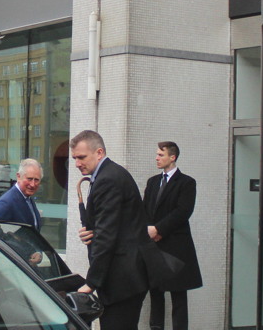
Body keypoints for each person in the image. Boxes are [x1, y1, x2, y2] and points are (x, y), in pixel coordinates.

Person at [71, 130, 151, 330]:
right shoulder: (108, 175)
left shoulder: (108, 179)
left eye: (81, 157)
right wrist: (91, 232)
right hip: (125, 278)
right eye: (74, 158)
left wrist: (92, 282)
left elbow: (108, 235)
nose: (77, 164)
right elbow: (113, 226)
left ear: (99, 153)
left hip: (122, 280)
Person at [143, 141, 202, 330]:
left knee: (178, 295)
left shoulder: (186, 182)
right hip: (154, 245)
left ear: (172, 157)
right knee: (156, 292)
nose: (157, 158)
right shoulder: (153, 182)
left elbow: (183, 212)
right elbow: (145, 210)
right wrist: (150, 230)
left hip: (176, 245)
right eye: (157, 154)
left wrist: (158, 229)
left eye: (161, 155)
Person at [0, 158, 43, 230]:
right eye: (29, 179)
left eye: (36, 180)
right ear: (18, 177)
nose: (33, 184)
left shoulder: (28, 199)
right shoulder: (6, 203)